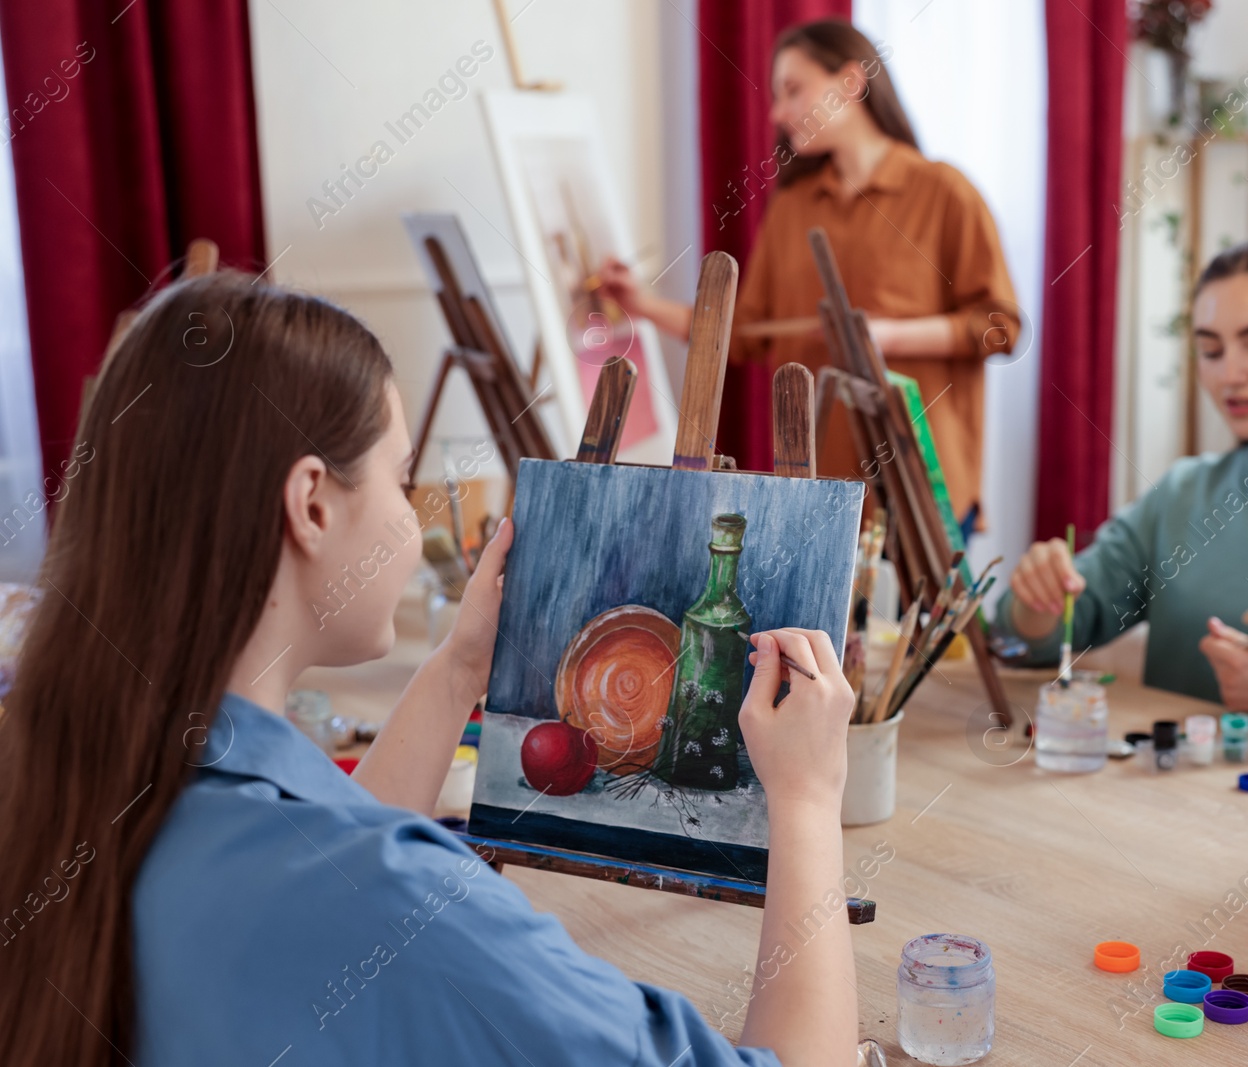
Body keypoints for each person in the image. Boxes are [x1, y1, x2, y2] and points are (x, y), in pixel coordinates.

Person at [0, 273, 859, 1066]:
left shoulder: (74, 777)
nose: (415, 523)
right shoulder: (405, 910)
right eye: (401, 479)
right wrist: (810, 797)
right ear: (311, 504)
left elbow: (315, 861)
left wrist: (460, 669)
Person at [600, 18, 1018, 537]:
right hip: (820, 495)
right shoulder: (792, 207)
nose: (777, 112)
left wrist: (884, 336)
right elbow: (742, 333)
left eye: (793, 89)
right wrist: (640, 304)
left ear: (850, 81)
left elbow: (1001, 328)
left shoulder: (946, 192)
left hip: (925, 492)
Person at [995, 234, 1248, 742]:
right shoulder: (1184, 493)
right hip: (1167, 804)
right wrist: (1038, 600)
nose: (1230, 373)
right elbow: (1029, 641)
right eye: (1210, 349)